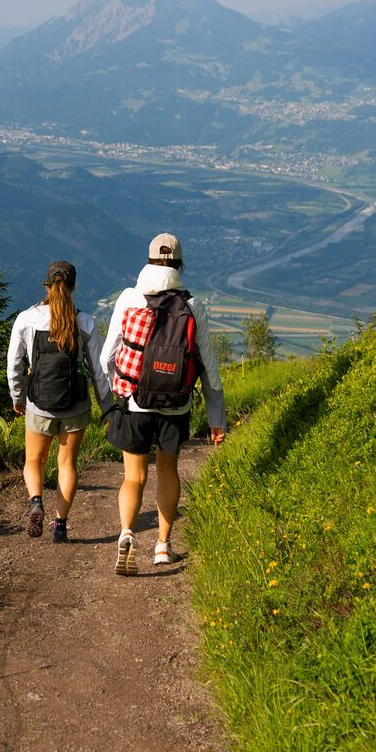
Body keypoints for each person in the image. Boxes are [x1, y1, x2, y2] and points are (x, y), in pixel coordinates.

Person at [100, 233, 227, 575]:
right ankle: (163, 546)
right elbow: (209, 366)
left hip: (135, 402)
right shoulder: (193, 305)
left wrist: (119, 391)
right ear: (179, 265)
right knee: (168, 471)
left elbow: (105, 356)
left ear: (149, 260)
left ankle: (127, 533)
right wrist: (217, 419)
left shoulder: (129, 298)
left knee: (133, 477)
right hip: (176, 404)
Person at [7, 260, 112, 543]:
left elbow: (14, 365)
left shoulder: (27, 319)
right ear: (74, 286)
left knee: (34, 460)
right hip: (75, 406)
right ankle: (60, 525)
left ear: (47, 285)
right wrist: (107, 408)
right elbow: (99, 371)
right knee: (67, 464)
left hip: (39, 404)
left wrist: (18, 397)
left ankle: (36, 501)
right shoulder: (86, 322)